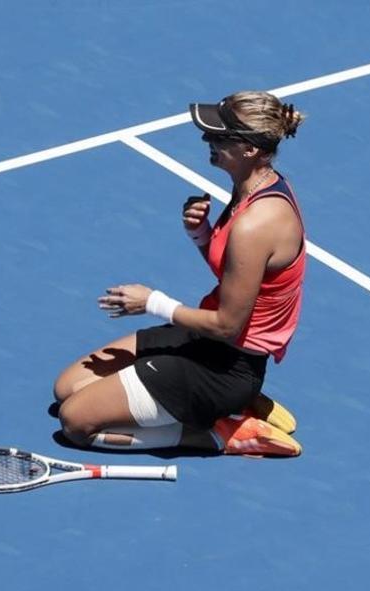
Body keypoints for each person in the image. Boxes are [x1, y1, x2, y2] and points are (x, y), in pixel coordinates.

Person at [53, 91, 307, 457]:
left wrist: (152, 302)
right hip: (206, 343)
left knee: (75, 422)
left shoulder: (258, 222)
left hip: (226, 368)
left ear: (250, 149)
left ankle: (223, 433)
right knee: (68, 387)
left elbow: (227, 325)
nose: (208, 140)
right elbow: (236, 272)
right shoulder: (254, 188)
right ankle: (231, 404)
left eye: (220, 136)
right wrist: (202, 234)